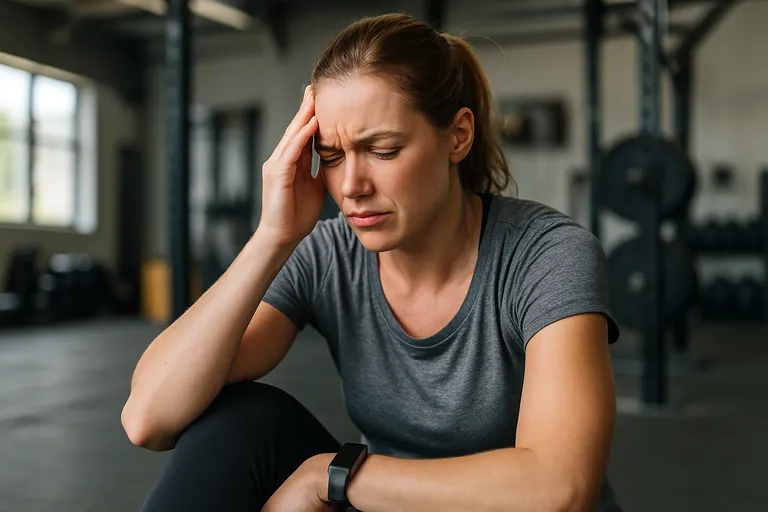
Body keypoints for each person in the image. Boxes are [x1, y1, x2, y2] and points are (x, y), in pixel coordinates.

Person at [122, 12, 622, 512]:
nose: (351, 187)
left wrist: (330, 477)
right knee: (241, 421)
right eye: (332, 156)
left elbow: (560, 487)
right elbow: (149, 418)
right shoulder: (328, 253)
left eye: (382, 150)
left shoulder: (546, 255)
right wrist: (272, 237)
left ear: (458, 136)